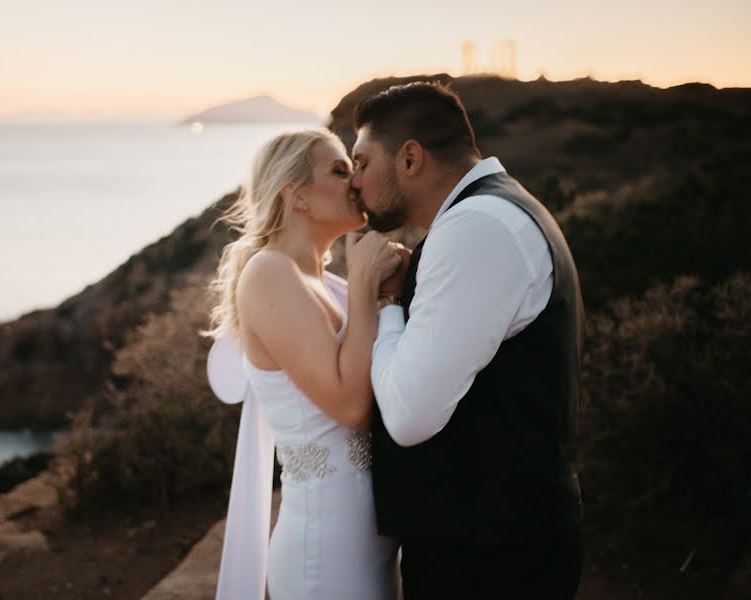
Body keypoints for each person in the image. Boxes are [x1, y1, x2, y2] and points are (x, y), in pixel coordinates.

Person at [350, 81, 585, 599]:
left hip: (490, 559)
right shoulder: (499, 211)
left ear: (410, 158)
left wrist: (388, 307)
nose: (354, 182)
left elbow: (410, 416)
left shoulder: (474, 228)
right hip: (503, 540)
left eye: (363, 163)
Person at [205, 129, 403, 599]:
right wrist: (364, 284)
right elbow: (350, 406)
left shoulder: (324, 284)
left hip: (369, 533)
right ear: (295, 196)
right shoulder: (269, 273)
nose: (355, 181)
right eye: (338, 170)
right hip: (325, 542)